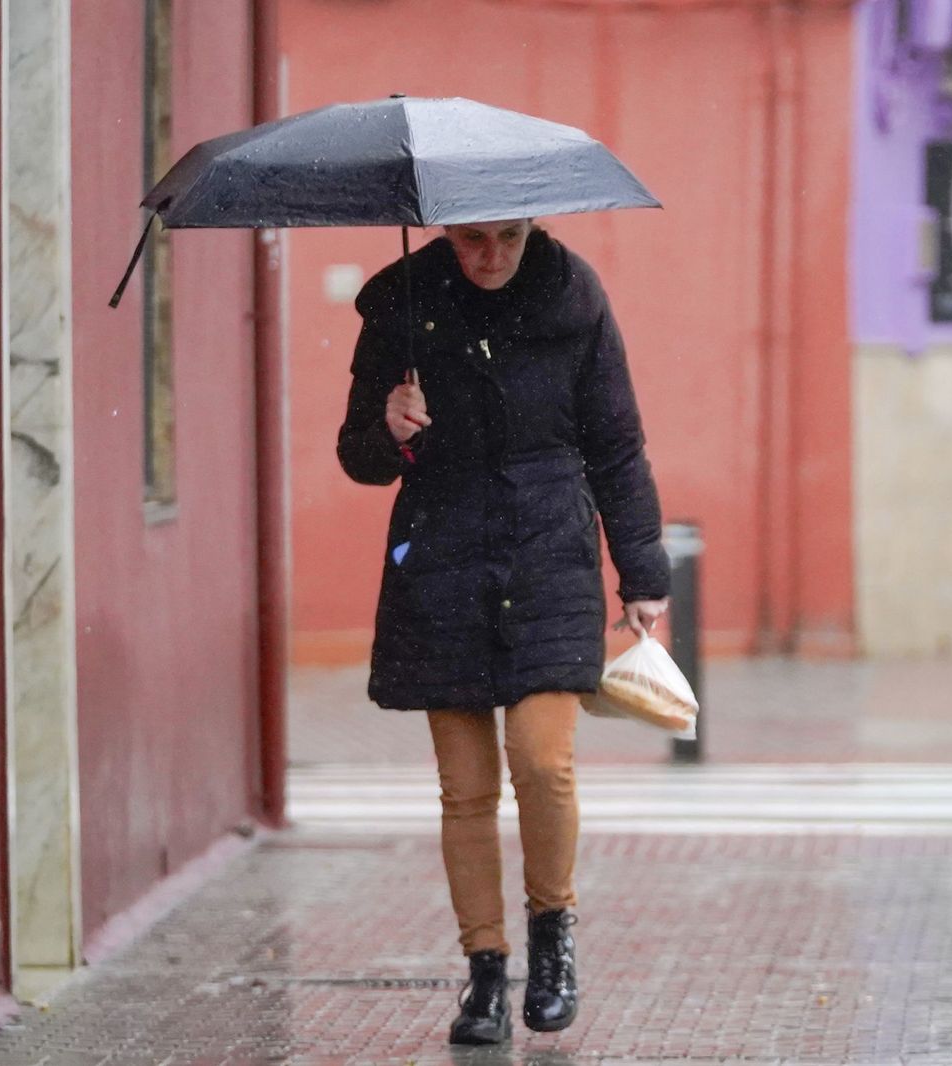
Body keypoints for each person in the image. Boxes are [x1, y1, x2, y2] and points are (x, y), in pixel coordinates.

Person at [336, 218, 669, 1045]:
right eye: (474, 240)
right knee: (466, 790)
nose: (490, 257)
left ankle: (552, 940)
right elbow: (358, 457)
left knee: (543, 758)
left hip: (548, 550)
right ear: (446, 230)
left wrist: (644, 573)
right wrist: (393, 428)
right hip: (441, 557)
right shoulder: (400, 308)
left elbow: (617, 446)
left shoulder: (574, 301)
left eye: (508, 239)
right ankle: (486, 973)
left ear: (530, 230)